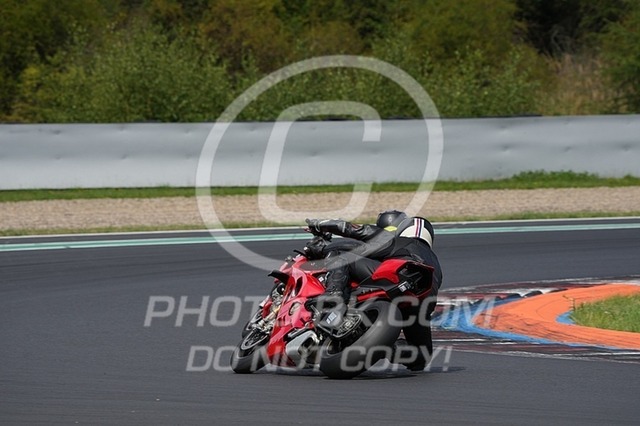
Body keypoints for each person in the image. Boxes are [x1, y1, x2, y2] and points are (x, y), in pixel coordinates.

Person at [305, 210, 443, 370]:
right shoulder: (436, 264)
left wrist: (320, 229)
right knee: (422, 354)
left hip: (395, 278)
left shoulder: (400, 241)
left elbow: (355, 231)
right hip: (420, 300)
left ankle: (333, 295)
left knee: (342, 257)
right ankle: (388, 348)